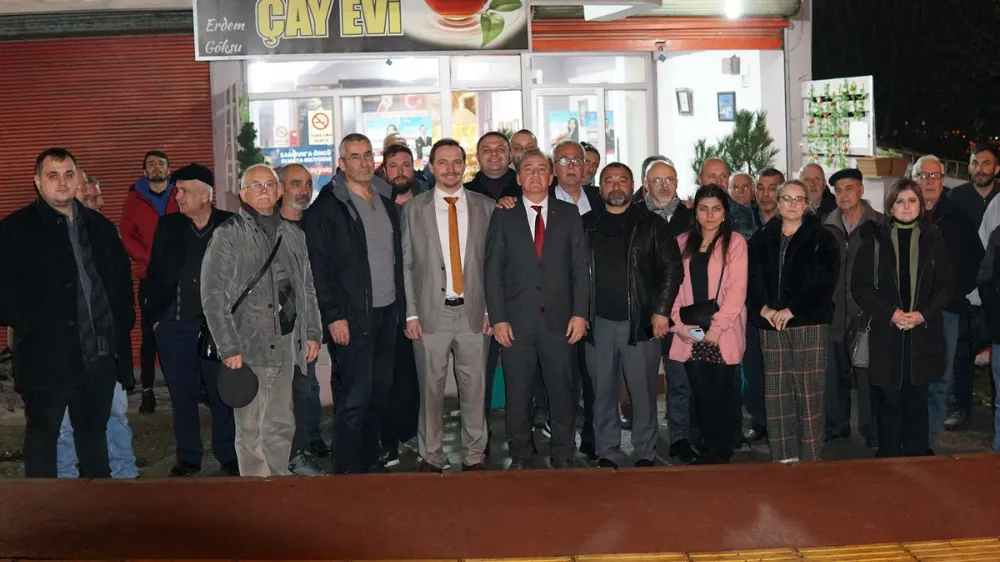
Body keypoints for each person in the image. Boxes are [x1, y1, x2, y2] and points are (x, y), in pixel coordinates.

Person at [0, 148, 135, 478]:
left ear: (78, 180)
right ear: (37, 181)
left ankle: (95, 506)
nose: (62, 182)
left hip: (100, 356)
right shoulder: (15, 229)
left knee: (94, 439)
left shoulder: (101, 227)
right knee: (43, 438)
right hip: (46, 359)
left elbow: (121, 284)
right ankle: (45, 508)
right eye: (53, 175)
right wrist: (35, 326)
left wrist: (120, 327)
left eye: (68, 174)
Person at [202, 164, 323, 477]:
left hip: (287, 343)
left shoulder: (294, 235)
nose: (264, 190)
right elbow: (213, 295)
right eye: (255, 186)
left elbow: (307, 288)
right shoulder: (228, 235)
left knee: (281, 423)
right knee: (251, 428)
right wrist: (229, 346)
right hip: (248, 345)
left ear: (279, 191)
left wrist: (312, 331)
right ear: (243, 195)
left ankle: (278, 484)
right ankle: (256, 491)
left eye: (269, 184)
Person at [303, 133, 406, 474]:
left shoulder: (385, 199)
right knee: (355, 396)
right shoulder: (327, 208)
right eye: (355, 156)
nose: (362, 162)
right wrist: (334, 316)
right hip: (351, 317)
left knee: (380, 392)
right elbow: (320, 269)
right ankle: (345, 464)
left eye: (367, 155)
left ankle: (368, 455)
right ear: (342, 163)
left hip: (387, 312)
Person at [485, 149, 589, 469]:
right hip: (516, 322)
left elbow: (580, 268)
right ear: (518, 178)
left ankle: (563, 452)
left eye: (541, 169)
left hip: (561, 321)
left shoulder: (568, 214)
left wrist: (580, 313)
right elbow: (493, 272)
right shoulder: (504, 216)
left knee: (562, 391)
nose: (534, 174)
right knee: (517, 392)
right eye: (527, 169)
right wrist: (498, 318)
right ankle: (521, 452)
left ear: (551, 176)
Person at [402, 139, 494, 472]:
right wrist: (411, 313)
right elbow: (407, 265)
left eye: (457, 162)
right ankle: (431, 455)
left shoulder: (486, 207)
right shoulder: (414, 209)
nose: (450, 169)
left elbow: (494, 265)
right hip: (430, 314)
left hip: (475, 314)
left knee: (475, 389)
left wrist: (491, 311)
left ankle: (474, 455)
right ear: (431, 166)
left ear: (465, 165)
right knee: (430, 390)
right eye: (442, 162)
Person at [582, 162, 682, 468]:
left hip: (641, 323)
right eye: (609, 181)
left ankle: (645, 451)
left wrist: (661, 312)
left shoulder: (652, 224)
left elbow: (672, 271)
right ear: (600, 188)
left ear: (633, 185)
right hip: (597, 323)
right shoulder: (586, 224)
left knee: (643, 393)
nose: (616, 186)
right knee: (602, 393)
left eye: (622, 180)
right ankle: (607, 451)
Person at [146, 164, 238, 477]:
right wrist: (157, 319)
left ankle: (228, 455)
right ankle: (188, 457)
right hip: (175, 327)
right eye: (177, 191)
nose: (177, 196)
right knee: (182, 396)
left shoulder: (230, 224)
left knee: (222, 394)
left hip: (218, 328)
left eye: (184, 191)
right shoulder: (168, 226)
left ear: (205, 195)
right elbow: (154, 274)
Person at [852, 179, 953, 457]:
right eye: (900, 201)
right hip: (886, 333)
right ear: (890, 206)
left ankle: (917, 460)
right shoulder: (873, 238)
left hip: (922, 334)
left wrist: (922, 315)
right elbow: (860, 286)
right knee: (888, 402)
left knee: (917, 402)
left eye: (912, 201)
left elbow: (946, 286)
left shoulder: (934, 238)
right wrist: (892, 313)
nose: (906, 206)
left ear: (921, 205)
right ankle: (889, 461)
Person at [748, 179, 839, 462]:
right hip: (771, 323)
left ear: (807, 204)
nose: (792, 204)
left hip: (807, 323)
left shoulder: (823, 238)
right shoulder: (761, 238)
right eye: (786, 199)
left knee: (808, 394)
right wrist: (763, 309)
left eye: (798, 199)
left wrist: (793, 309)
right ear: (777, 202)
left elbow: (824, 283)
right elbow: (750, 279)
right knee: (777, 394)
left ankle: (810, 459)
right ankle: (783, 458)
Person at [58, 169, 136, 479]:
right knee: (65, 423)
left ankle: (124, 475)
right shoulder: (52, 237)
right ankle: (66, 481)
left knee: (116, 414)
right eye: (87, 194)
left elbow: (122, 285)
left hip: (107, 348)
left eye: (96, 195)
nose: (95, 201)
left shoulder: (107, 232)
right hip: (67, 351)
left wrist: (123, 321)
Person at [670, 184, 748, 464]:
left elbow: (737, 291)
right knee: (701, 397)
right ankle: (707, 452)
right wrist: (679, 326)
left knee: (721, 397)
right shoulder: (681, 242)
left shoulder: (735, 242)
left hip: (722, 333)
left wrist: (715, 330)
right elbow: (672, 288)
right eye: (704, 208)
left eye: (716, 208)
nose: (710, 215)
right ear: (695, 212)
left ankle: (720, 455)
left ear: (725, 212)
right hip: (690, 332)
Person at [913, 155, 983, 450]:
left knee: (940, 381)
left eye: (935, 176)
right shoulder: (903, 212)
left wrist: (953, 294)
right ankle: (908, 439)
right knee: (911, 379)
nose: (930, 181)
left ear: (943, 181)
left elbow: (976, 263)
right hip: (909, 314)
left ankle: (927, 443)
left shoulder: (958, 219)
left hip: (947, 313)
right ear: (914, 179)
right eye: (924, 175)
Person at [633, 156, 697, 462]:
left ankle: (680, 436)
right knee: (643, 379)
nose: (663, 185)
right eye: (656, 180)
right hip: (643, 312)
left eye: (669, 179)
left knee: (680, 376)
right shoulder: (632, 215)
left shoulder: (692, 216)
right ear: (645, 184)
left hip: (681, 312)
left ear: (677, 183)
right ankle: (645, 441)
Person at [276, 163, 331, 475]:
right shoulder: (268, 227)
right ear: (281, 187)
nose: (304, 190)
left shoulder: (316, 223)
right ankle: (289, 450)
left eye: (309, 184)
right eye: (296, 183)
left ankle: (309, 440)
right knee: (285, 390)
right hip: (278, 325)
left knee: (307, 385)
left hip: (310, 319)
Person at [822, 168, 881, 448]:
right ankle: (836, 428)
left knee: (867, 377)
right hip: (833, 315)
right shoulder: (825, 227)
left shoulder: (879, 224)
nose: (843, 195)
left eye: (849, 188)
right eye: (838, 190)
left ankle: (872, 430)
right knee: (833, 377)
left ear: (861, 190)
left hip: (866, 315)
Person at [121, 150, 178, 414]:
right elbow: (127, 235)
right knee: (149, 335)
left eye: (160, 164)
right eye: (151, 164)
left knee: (178, 332)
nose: (156, 168)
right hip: (149, 278)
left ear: (168, 169)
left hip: (178, 277)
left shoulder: (179, 194)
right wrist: (148, 258)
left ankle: (180, 386)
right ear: (145, 172)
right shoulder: (134, 199)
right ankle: (147, 390)